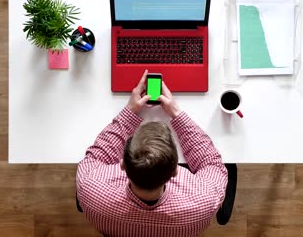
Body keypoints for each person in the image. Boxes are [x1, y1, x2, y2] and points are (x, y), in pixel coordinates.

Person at [76, 70, 228, 237]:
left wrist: (130, 111)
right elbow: (211, 163)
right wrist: (175, 113)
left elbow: (96, 156)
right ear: (176, 171)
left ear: (122, 165)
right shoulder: (203, 202)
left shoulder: (90, 191)